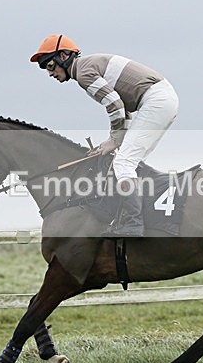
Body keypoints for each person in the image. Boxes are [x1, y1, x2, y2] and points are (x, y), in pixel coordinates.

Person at [30, 34, 179, 237]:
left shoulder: (84, 74)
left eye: (49, 66)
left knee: (123, 164)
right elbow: (123, 109)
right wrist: (113, 143)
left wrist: (114, 140)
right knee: (127, 162)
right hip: (160, 100)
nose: (50, 73)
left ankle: (133, 224)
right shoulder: (86, 68)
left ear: (64, 56)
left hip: (155, 101)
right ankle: (139, 217)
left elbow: (115, 106)